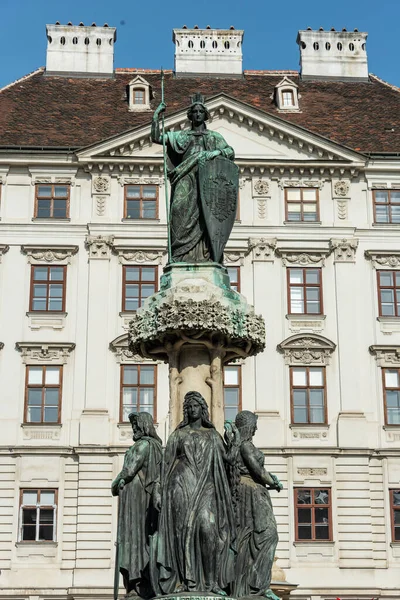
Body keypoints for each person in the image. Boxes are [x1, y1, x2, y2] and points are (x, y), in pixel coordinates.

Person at [151, 391, 239, 596]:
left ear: (203, 409)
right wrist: (157, 489)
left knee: (208, 529)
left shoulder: (213, 435)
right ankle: (186, 581)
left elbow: (228, 460)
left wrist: (234, 441)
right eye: (188, 407)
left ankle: (211, 582)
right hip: (180, 486)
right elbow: (165, 464)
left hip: (207, 486)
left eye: (195, 406)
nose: (192, 410)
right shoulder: (178, 435)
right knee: (182, 533)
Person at [151, 93, 237, 263]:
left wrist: (216, 152)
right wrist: (156, 117)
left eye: (200, 112)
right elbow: (156, 138)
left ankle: (206, 256)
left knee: (205, 216)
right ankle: (179, 256)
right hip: (185, 177)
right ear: (190, 115)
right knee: (178, 211)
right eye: (195, 112)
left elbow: (230, 152)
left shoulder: (214, 137)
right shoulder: (181, 136)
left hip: (207, 183)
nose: (197, 114)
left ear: (205, 115)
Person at [229, 410, 283, 600]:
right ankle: (257, 587)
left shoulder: (244, 445)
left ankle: (257, 585)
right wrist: (273, 482)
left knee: (255, 538)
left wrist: (269, 479)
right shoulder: (245, 446)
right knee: (267, 535)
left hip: (252, 491)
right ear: (248, 426)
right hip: (250, 492)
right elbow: (258, 470)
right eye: (254, 425)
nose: (256, 429)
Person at [111, 412, 163, 599]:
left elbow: (129, 471)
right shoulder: (158, 447)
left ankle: (136, 582)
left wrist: (115, 483)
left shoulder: (143, 446)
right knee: (143, 541)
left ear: (143, 426)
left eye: (136, 425)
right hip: (145, 500)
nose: (133, 428)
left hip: (136, 501)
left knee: (134, 540)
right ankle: (145, 580)